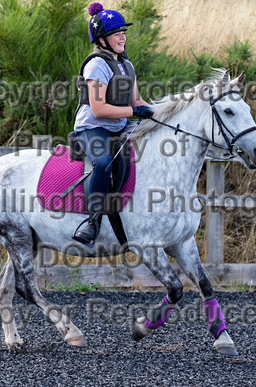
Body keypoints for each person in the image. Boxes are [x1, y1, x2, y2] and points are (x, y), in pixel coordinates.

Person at [72, 2, 154, 247]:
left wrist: (157, 113)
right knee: (103, 162)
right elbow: (99, 109)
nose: (122, 36)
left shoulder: (126, 65)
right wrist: (133, 111)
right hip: (92, 128)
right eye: (116, 33)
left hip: (119, 127)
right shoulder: (96, 64)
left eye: (123, 32)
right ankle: (92, 221)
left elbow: (137, 101)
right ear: (101, 39)